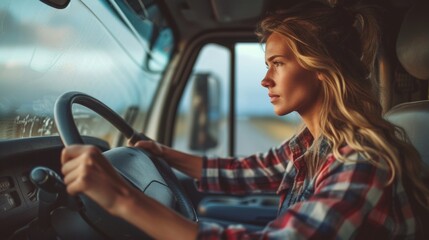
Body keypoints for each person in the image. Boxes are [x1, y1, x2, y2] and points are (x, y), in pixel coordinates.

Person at [60, 0, 429, 239]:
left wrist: (123, 198)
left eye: (278, 64)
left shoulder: (363, 159)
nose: (265, 80)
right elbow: (250, 170)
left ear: (321, 68)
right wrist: (162, 153)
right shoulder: (314, 142)